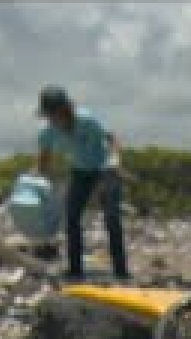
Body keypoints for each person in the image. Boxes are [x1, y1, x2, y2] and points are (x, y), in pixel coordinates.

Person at [35, 85, 129, 281]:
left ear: (66, 109)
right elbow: (43, 161)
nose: (54, 118)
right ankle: (75, 270)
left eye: (57, 113)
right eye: (50, 115)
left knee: (112, 218)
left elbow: (112, 139)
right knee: (71, 217)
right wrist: (38, 179)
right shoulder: (47, 132)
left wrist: (115, 161)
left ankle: (121, 271)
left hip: (105, 168)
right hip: (80, 171)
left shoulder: (87, 121)